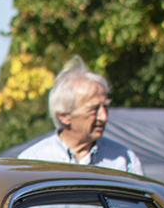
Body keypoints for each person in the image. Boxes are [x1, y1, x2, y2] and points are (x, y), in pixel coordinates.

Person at [16, 57, 145, 175]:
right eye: (93, 110)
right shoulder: (32, 162)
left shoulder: (122, 160)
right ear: (64, 116)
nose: (103, 117)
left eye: (105, 107)